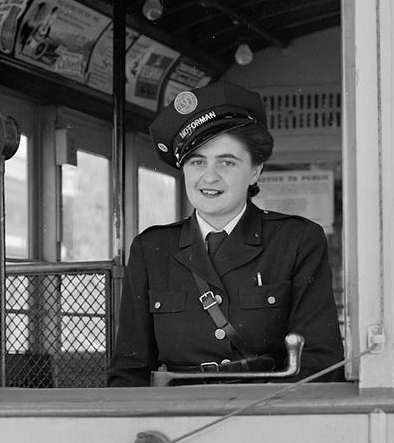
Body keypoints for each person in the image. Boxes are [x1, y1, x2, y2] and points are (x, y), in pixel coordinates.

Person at [108, 81, 345, 386]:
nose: (209, 176)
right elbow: (130, 368)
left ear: (255, 171)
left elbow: (319, 361)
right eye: (197, 161)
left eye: (227, 162)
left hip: (267, 415)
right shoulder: (152, 249)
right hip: (176, 418)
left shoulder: (296, 241)